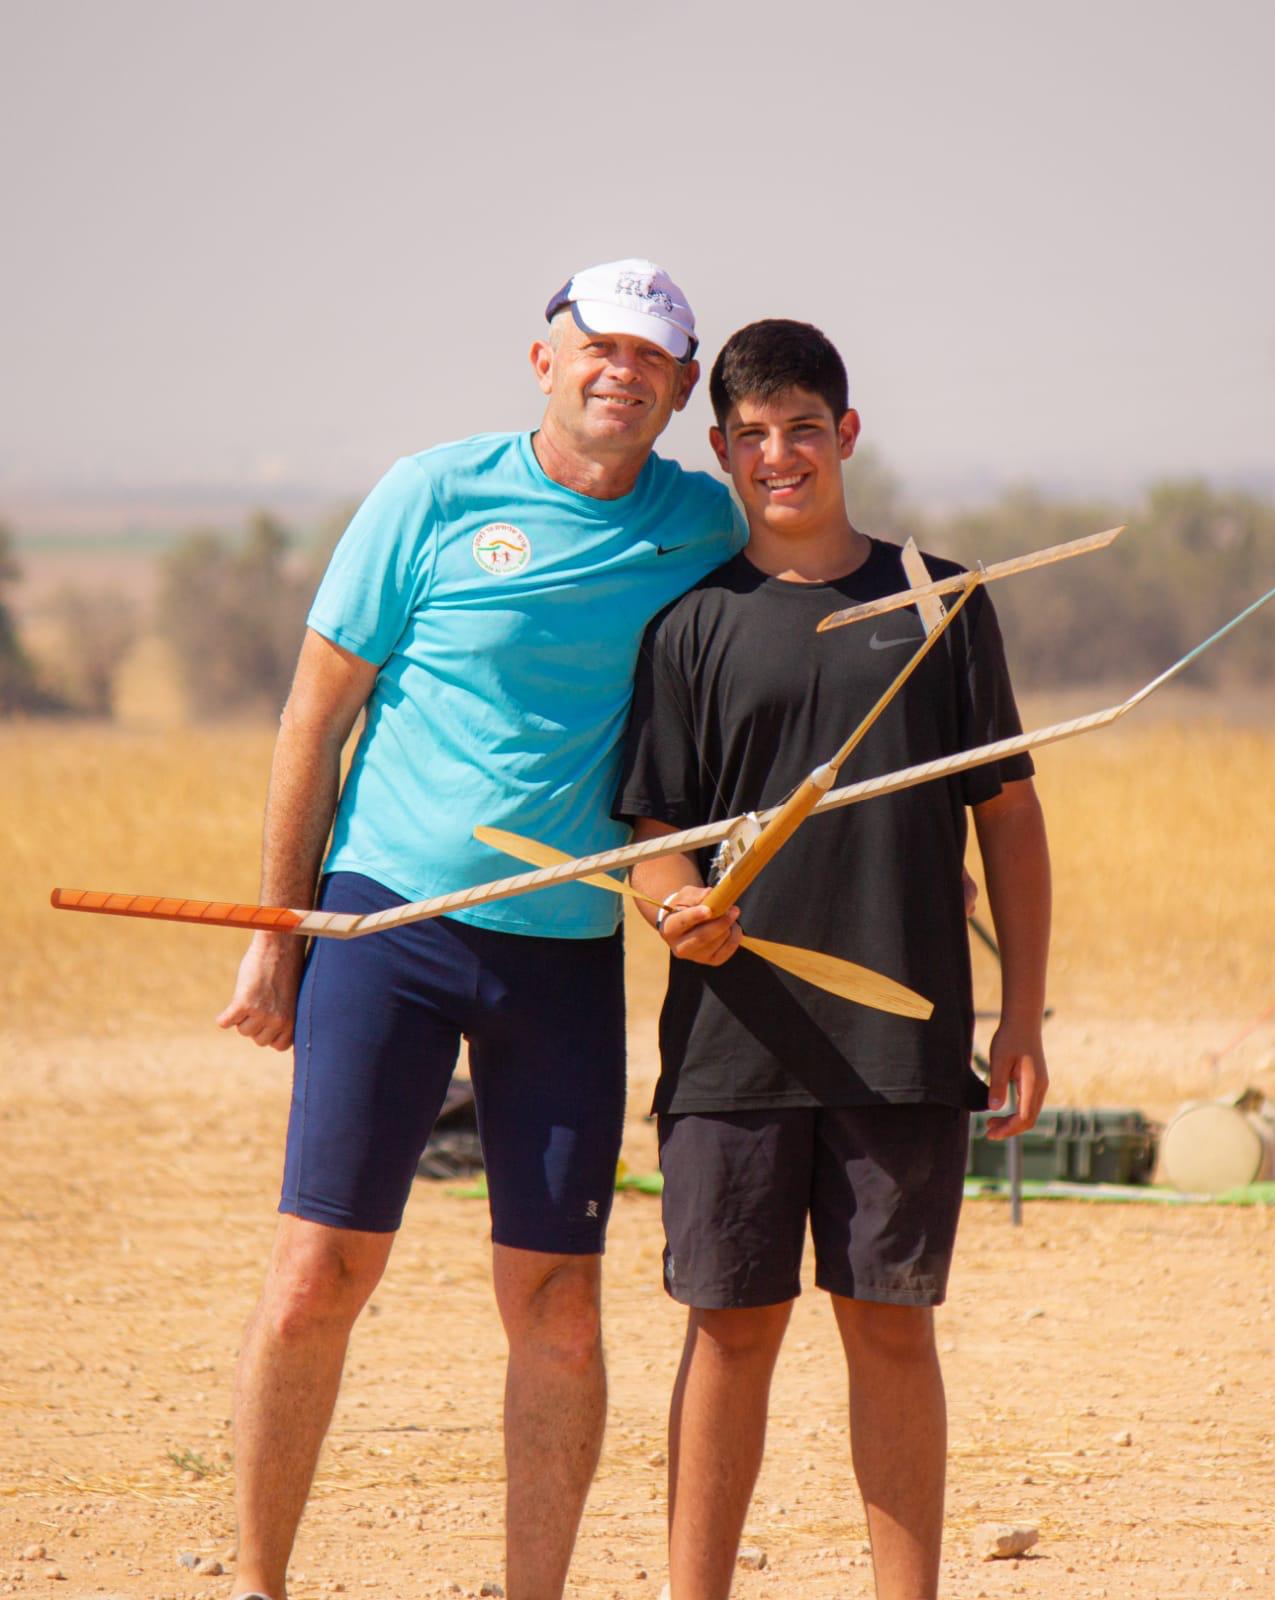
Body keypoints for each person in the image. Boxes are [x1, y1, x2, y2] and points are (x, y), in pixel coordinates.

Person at [214, 259, 744, 1600]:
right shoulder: (429, 495)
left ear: (682, 393)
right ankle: (257, 1583)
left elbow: (792, 629)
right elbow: (311, 718)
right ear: (542, 359)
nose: (618, 371)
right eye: (595, 346)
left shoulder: (703, 524)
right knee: (316, 1274)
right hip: (386, 922)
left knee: (558, 1311)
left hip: (561, 951)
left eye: (650, 357)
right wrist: (282, 932)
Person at [615, 320, 1051, 1600]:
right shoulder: (690, 627)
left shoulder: (938, 599)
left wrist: (1020, 1015)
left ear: (846, 433)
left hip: (900, 1034)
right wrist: (676, 904)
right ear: (720, 450)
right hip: (728, 1046)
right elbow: (654, 839)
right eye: (750, 435)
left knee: (888, 1326)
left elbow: (1009, 819)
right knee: (731, 1329)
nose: (778, 455)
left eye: (802, 427)